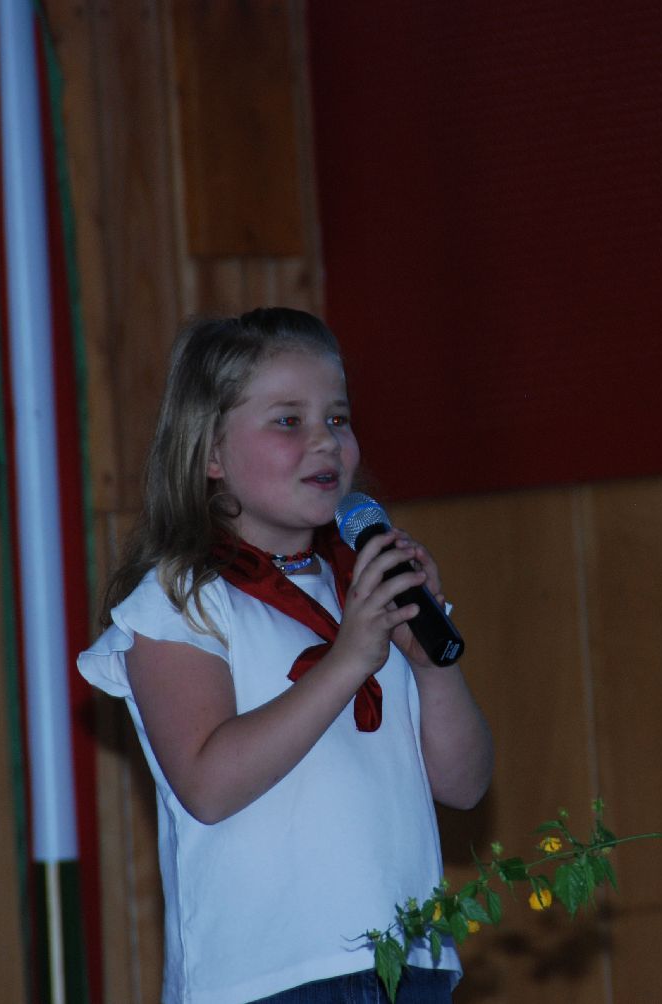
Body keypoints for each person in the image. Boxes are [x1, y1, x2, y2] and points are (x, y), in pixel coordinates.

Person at [79, 307, 494, 1003]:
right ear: (210, 453)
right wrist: (349, 660)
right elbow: (209, 784)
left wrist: (431, 667)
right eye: (288, 421)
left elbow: (466, 783)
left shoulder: (364, 585)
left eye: (338, 418)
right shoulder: (181, 600)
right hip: (268, 978)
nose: (325, 441)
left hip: (409, 963)